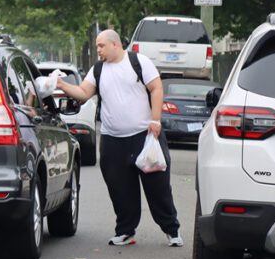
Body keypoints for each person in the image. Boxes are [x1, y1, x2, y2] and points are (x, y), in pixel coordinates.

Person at [54, 29, 182, 247]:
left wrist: (156, 120)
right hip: (113, 140)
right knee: (119, 189)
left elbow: (156, 88)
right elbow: (84, 93)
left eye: (101, 46)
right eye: (97, 46)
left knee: (158, 187)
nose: (98, 50)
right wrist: (62, 85)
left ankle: (172, 230)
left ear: (115, 45)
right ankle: (125, 231)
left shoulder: (138, 62)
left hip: (145, 136)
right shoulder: (98, 70)